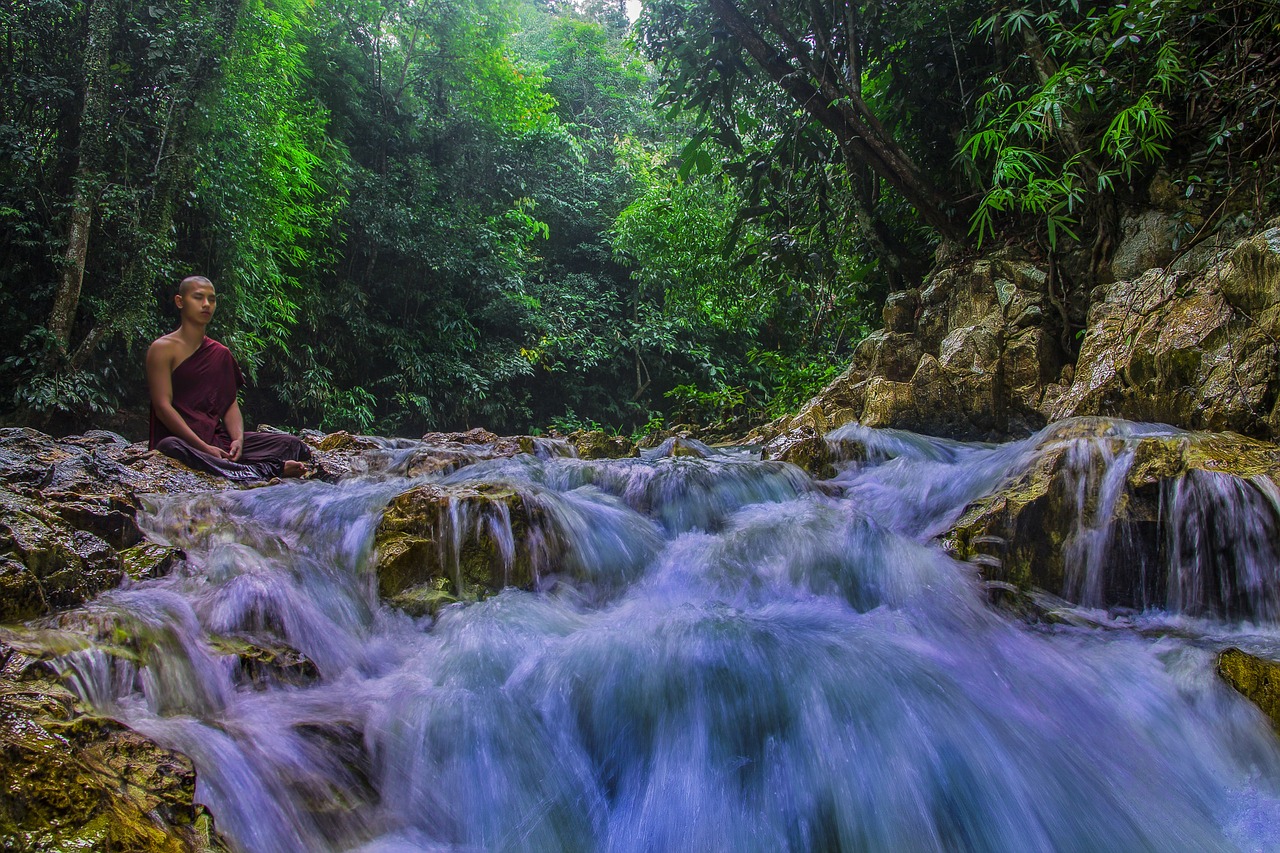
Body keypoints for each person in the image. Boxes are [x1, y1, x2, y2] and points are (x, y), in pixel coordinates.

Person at [147, 275, 311, 481]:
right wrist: (203, 447)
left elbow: (230, 404)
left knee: (291, 444)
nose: (206, 304)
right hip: (184, 442)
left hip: (216, 440)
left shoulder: (220, 352)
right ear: (180, 301)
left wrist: (238, 440)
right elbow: (162, 407)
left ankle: (231, 464)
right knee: (169, 446)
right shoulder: (162, 349)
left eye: (212, 299)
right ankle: (268, 470)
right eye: (198, 298)